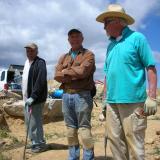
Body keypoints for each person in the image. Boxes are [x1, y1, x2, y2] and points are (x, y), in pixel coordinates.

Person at [96, 4, 158, 160]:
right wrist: (104, 100)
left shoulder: (137, 38)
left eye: (106, 22)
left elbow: (150, 68)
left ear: (116, 21)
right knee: (115, 142)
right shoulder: (110, 46)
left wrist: (152, 97)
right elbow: (107, 75)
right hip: (112, 103)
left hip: (133, 102)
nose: (103, 27)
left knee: (135, 145)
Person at [54, 29, 96, 160]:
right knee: (70, 130)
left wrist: (65, 72)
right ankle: (73, 157)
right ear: (68, 40)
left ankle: (88, 157)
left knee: (84, 129)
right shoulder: (63, 57)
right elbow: (56, 75)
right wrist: (73, 74)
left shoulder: (88, 55)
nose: (75, 39)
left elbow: (83, 71)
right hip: (66, 96)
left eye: (77, 36)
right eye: (72, 37)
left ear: (82, 38)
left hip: (82, 96)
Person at [22, 43, 48, 153]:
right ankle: (34, 142)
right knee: (29, 123)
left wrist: (33, 96)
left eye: (32, 51)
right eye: (27, 51)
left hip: (35, 99)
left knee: (35, 123)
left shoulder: (40, 62)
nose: (29, 53)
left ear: (37, 51)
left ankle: (39, 145)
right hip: (26, 99)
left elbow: (40, 80)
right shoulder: (26, 63)